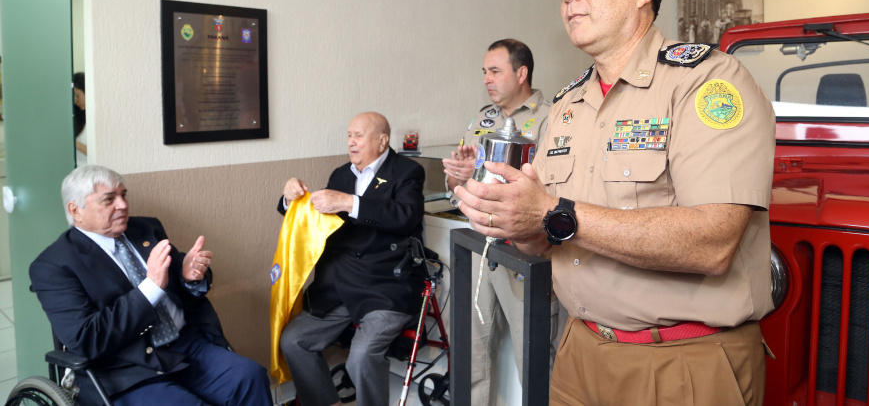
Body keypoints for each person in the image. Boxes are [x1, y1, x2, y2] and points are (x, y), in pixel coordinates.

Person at [455, 0, 776, 406]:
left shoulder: (707, 81)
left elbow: (714, 242)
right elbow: (542, 233)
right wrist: (507, 215)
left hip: (681, 361)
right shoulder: (567, 105)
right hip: (580, 350)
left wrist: (552, 215)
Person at [29, 165, 272, 406]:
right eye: (109, 199)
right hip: (123, 368)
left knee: (250, 376)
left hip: (184, 346)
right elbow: (86, 339)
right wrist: (151, 287)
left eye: (123, 195)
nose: (123, 205)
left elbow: (180, 285)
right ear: (76, 210)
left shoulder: (146, 228)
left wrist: (189, 277)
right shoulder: (54, 265)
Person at [278, 112, 425, 406]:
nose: (351, 142)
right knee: (294, 341)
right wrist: (290, 200)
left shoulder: (407, 171)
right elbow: (314, 218)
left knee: (360, 357)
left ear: (383, 141)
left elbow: (405, 217)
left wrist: (348, 202)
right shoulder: (341, 174)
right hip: (339, 283)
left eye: (359, 136)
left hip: (385, 285)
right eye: (349, 136)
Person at [441, 39, 558, 405]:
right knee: (471, 356)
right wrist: (457, 177)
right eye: (484, 72)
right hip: (478, 246)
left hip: (525, 251)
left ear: (521, 73)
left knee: (535, 359)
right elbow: (462, 185)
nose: (487, 80)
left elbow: (553, 191)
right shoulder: (483, 118)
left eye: (495, 71)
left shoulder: (553, 118)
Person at [73, 71, 87, 166]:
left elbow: (102, 154)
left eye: (77, 95)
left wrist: (76, 144)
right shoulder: (77, 118)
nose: (75, 100)